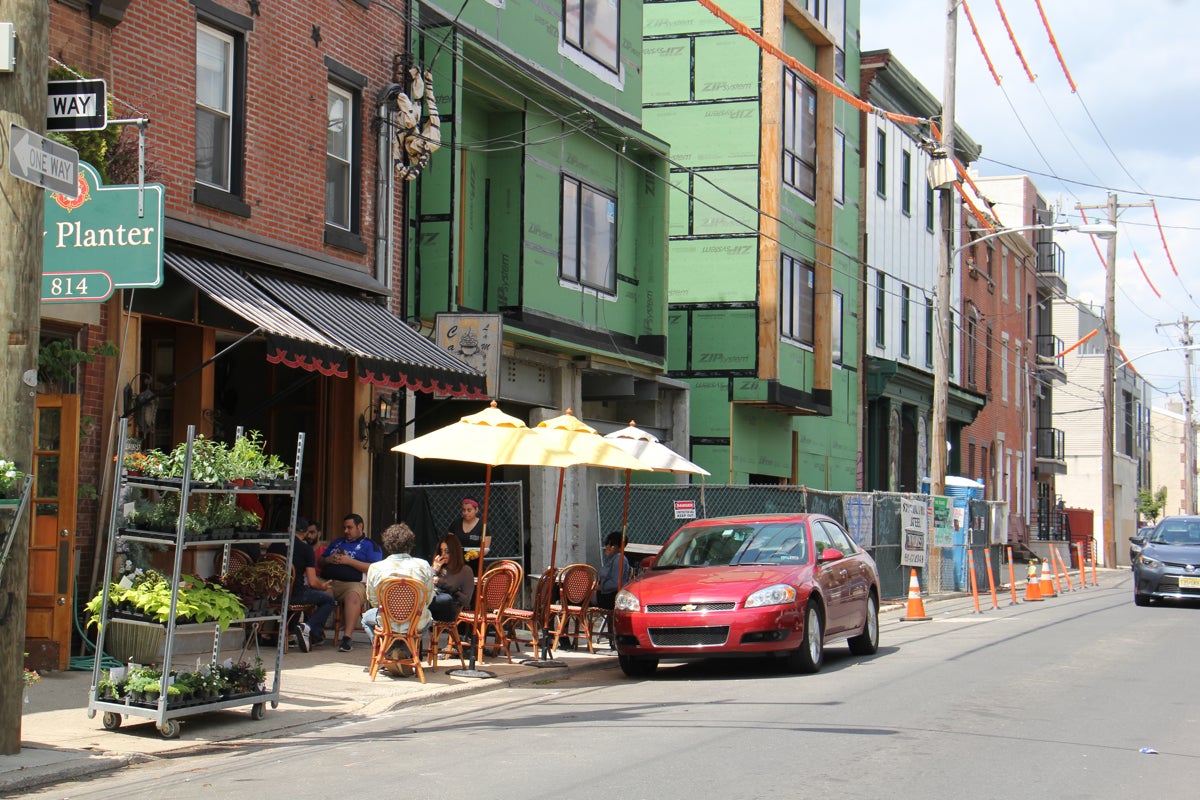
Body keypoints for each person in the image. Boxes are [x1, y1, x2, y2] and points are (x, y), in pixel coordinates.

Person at [362, 523, 434, 671]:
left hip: (388, 622)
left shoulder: (375, 568)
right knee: (428, 619)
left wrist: (394, 610)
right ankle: (405, 653)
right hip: (415, 622)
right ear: (410, 543)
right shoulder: (424, 565)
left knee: (365, 618)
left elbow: (373, 601)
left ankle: (386, 655)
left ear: (387, 544)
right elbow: (427, 599)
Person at [267, 516, 335, 652]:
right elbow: (313, 582)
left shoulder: (274, 546)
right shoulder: (306, 549)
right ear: (304, 533)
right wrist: (324, 587)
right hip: (294, 595)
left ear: (288, 529)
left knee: (302, 594)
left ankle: (291, 632)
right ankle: (309, 629)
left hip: (274, 594)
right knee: (328, 600)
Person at [319, 513, 382, 652]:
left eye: (349, 527)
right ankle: (316, 632)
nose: (346, 531)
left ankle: (347, 638)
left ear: (360, 526)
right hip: (329, 581)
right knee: (318, 593)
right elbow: (321, 561)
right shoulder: (337, 542)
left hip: (353, 584)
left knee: (353, 596)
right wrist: (329, 559)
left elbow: (374, 567)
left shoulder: (370, 545)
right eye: (344, 528)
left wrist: (349, 561)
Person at [429, 533, 475, 622]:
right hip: (434, 604)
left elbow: (466, 601)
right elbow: (425, 584)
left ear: (454, 551)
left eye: (447, 551)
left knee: (445, 598)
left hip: (451, 609)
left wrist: (450, 589)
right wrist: (434, 570)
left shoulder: (465, 570)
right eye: (441, 551)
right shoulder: (439, 566)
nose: (443, 554)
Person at [596, 530, 632, 611]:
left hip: (611, 597)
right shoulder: (610, 559)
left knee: (576, 597)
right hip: (605, 594)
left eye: (612, 545)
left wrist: (601, 587)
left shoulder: (619, 558)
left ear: (620, 547)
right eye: (607, 544)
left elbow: (616, 582)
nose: (608, 547)